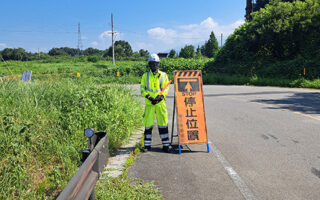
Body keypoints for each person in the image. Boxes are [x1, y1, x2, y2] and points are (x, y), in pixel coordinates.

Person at [140, 53, 170, 153]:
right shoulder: (145, 75)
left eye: (156, 63)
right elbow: (142, 89)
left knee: (163, 124)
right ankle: (147, 145)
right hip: (149, 104)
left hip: (160, 104)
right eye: (152, 63)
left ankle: (166, 145)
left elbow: (166, 88)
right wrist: (149, 97)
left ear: (158, 64)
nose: (154, 65)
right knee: (148, 125)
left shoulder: (163, 75)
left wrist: (161, 97)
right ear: (149, 64)